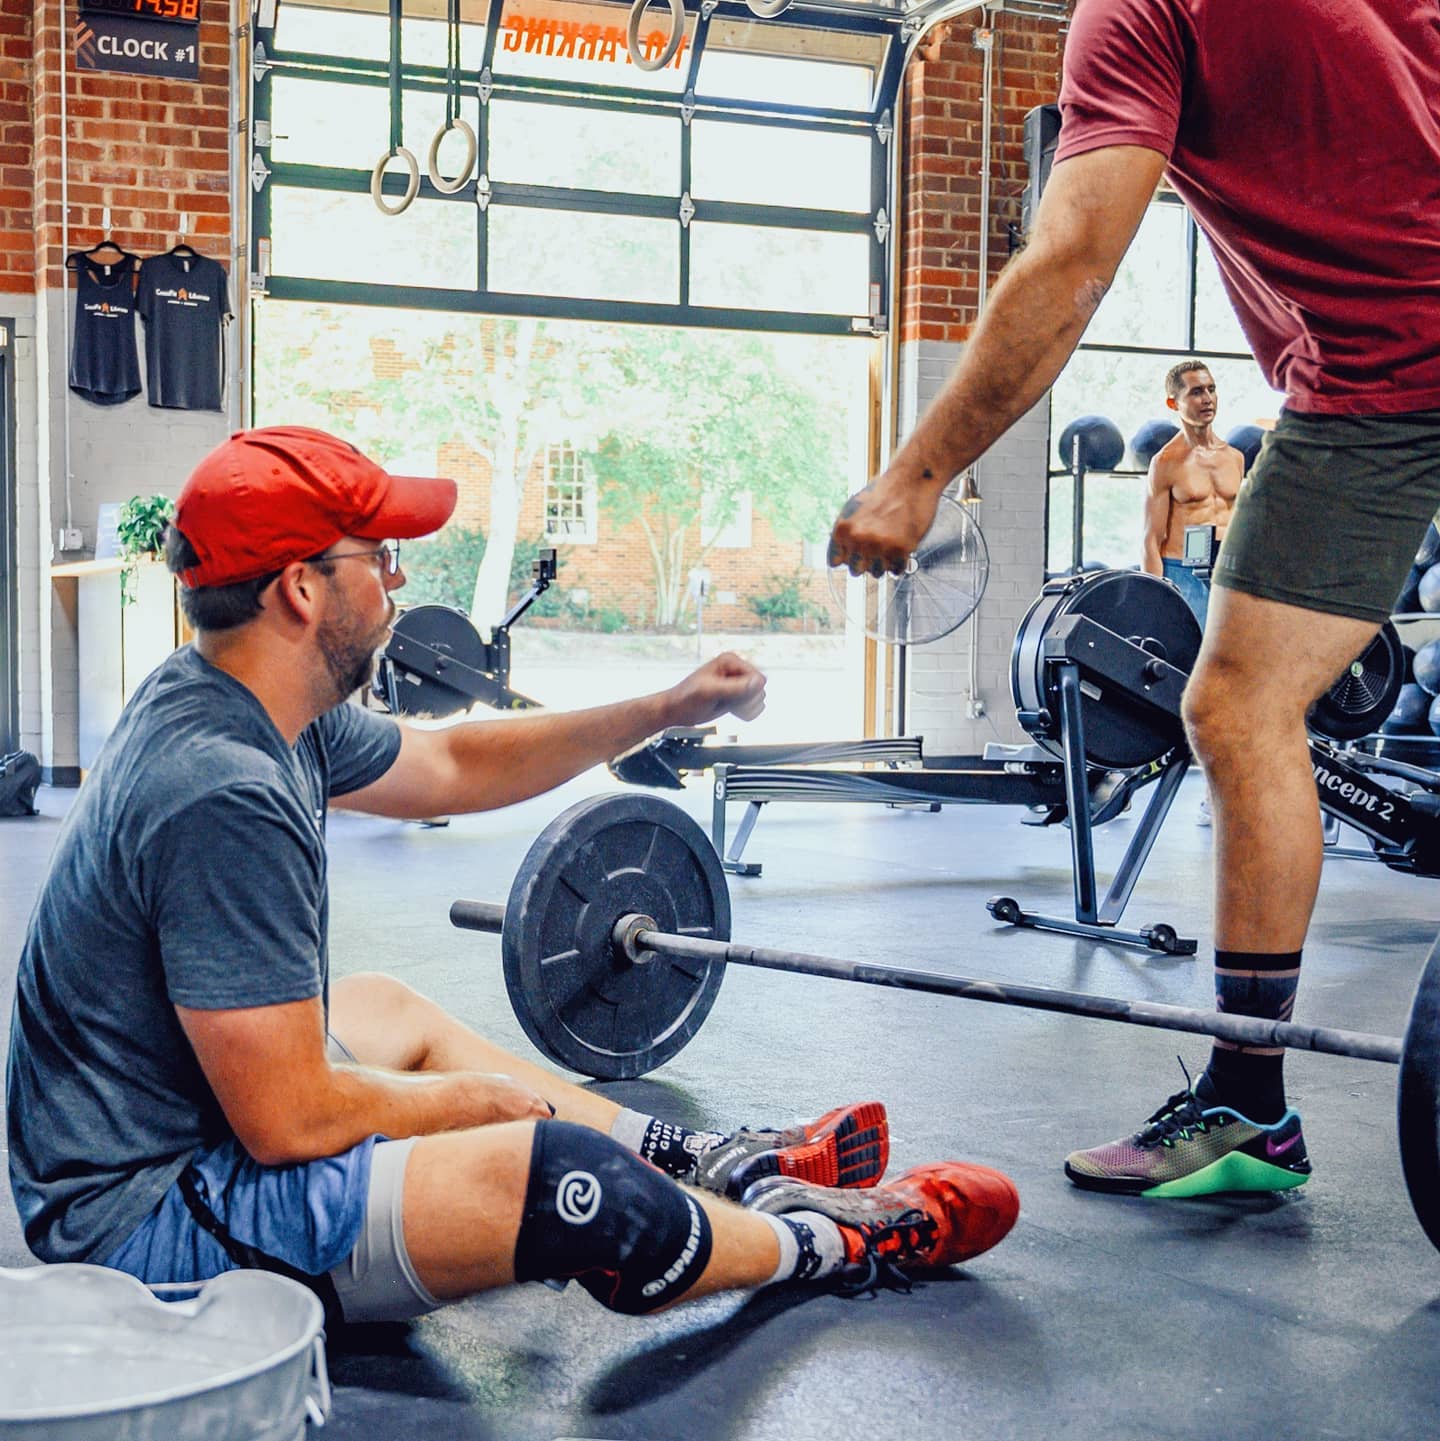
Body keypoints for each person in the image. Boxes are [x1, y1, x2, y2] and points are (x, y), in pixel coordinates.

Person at [6, 426, 1019, 1326]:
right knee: (553, 1175)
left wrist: (661, 709)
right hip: (149, 1223)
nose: (399, 581)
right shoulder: (221, 788)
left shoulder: (241, 697)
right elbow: (289, 1122)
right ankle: (834, 1239)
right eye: (380, 557)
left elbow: (451, 762)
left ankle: (707, 1163)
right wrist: (470, 1102)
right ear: (302, 589)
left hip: (189, 1128)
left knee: (384, 1007)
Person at [828, 0, 1440, 1199]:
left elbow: (1071, 263)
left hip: (1380, 379)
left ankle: (1249, 1104)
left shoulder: (1138, 13)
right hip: (1367, 382)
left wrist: (915, 475)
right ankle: (1245, 1104)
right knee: (1233, 705)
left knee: (1240, 707)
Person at [1141, 360, 1243, 631]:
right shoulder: (1165, 462)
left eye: (1211, 389)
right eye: (1196, 392)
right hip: (1183, 575)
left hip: (1227, 571)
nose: (1207, 399)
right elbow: (1151, 539)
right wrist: (1153, 599)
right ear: (1173, 403)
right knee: (1187, 653)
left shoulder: (1235, 458)